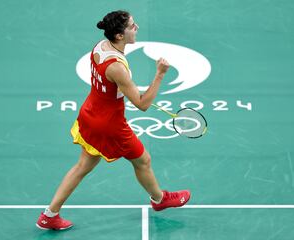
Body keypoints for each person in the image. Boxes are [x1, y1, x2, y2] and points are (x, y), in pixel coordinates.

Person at [36, 10, 190, 230]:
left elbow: (112, 87)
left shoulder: (101, 46)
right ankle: (159, 199)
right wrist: (160, 74)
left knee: (82, 166)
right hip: (110, 124)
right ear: (119, 35)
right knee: (143, 160)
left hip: (90, 113)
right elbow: (143, 104)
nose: (136, 28)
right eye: (132, 26)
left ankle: (49, 215)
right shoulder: (116, 66)